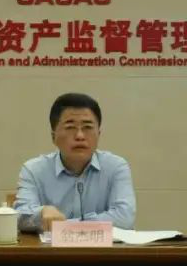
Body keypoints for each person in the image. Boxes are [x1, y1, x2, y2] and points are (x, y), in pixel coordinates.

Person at [14, 92, 135, 233]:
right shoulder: (33, 170)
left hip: (102, 248)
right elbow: (18, 217)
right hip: (52, 248)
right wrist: (41, 213)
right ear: (53, 136)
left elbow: (124, 218)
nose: (80, 136)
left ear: (99, 134)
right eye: (70, 127)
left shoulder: (115, 167)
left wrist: (65, 225)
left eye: (87, 127)